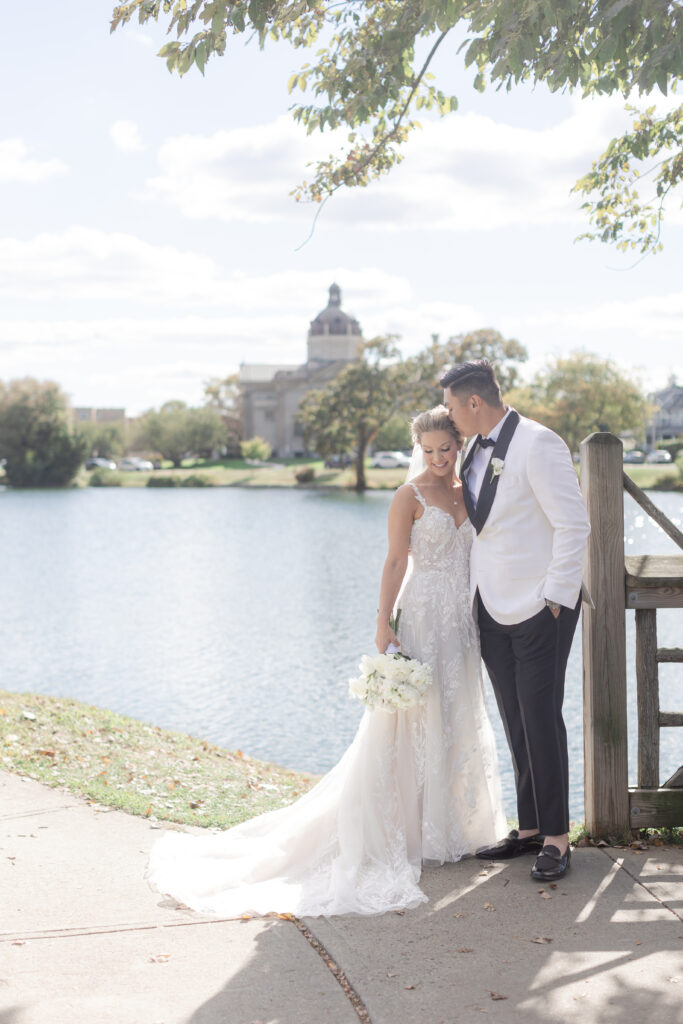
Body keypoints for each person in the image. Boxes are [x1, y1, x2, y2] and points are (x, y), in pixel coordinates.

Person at [146, 405, 505, 918]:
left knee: (457, 714)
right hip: (422, 615)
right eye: (427, 450)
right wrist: (383, 624)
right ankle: (404, 828)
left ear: (459, 443)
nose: (438, 458)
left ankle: (456, 827)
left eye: (446, 448)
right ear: (417, 450)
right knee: (410, 722)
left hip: (461, 623)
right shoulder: (409, 496)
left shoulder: (469, 491)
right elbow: (395, 561)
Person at [441, 359, 591, 882]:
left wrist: (554, 595)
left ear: (474, 403)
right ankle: (529, 828)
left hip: (539, 605)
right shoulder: (471, 453)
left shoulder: (539, 443)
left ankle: (556, 837)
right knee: (514, 714)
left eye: (452, 406)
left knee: (541, 716)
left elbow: (574, 524)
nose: (449, 416)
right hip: (490, 603)